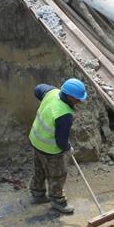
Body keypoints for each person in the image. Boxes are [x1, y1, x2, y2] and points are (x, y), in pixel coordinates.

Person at [28, 78, 87, 214]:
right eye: (77, 98)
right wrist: (67, 149)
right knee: (58, 175)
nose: (80, 101)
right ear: (69, 96)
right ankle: (58, 201)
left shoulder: (51, 92)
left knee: (40, 169)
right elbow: (61, 142)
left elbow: (38, 88)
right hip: (50, 149)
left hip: (36, 140)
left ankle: (37, 193)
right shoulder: (64, 115)